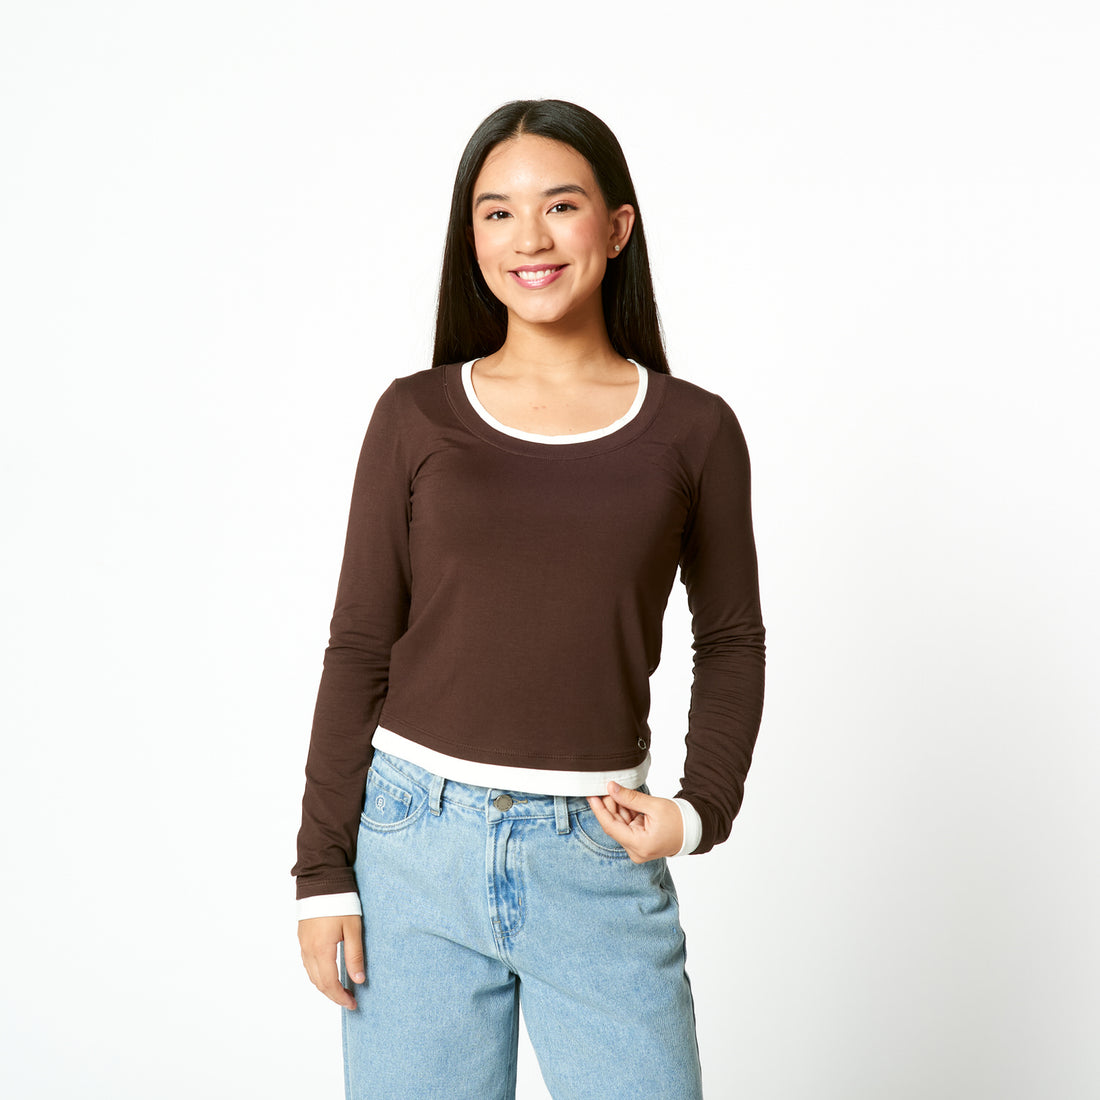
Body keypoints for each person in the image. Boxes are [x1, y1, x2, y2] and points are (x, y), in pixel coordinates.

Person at [294, 99, 766, 1100]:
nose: (529, 239)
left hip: (594, 851)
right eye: (497, 213)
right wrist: (321, 872)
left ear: (617, 227)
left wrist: (699, 810)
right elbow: (360, 643)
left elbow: (730, 637)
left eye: (560, 206)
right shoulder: (415, 415)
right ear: (472, 239)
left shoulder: (693, 431)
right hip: (413, 849)